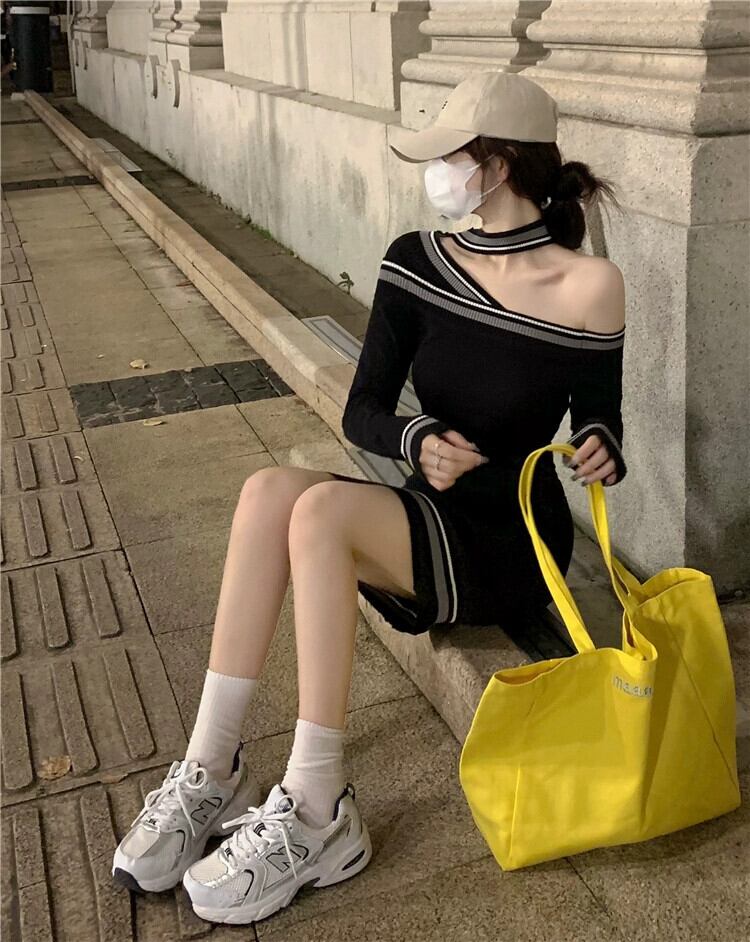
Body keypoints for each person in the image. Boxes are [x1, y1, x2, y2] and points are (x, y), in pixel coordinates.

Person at [111, 70, 628, 924]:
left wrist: (603, 448)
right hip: (430, 508)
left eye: (450, 155)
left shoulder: (590, 285)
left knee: (318, 512)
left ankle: (318, 809)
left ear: (497, 166)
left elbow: (601, 416)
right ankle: (211, 767)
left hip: (511, 539)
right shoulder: (417, 261)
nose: (438, 173)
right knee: (267, 490)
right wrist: (417, 440)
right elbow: (364, 411)